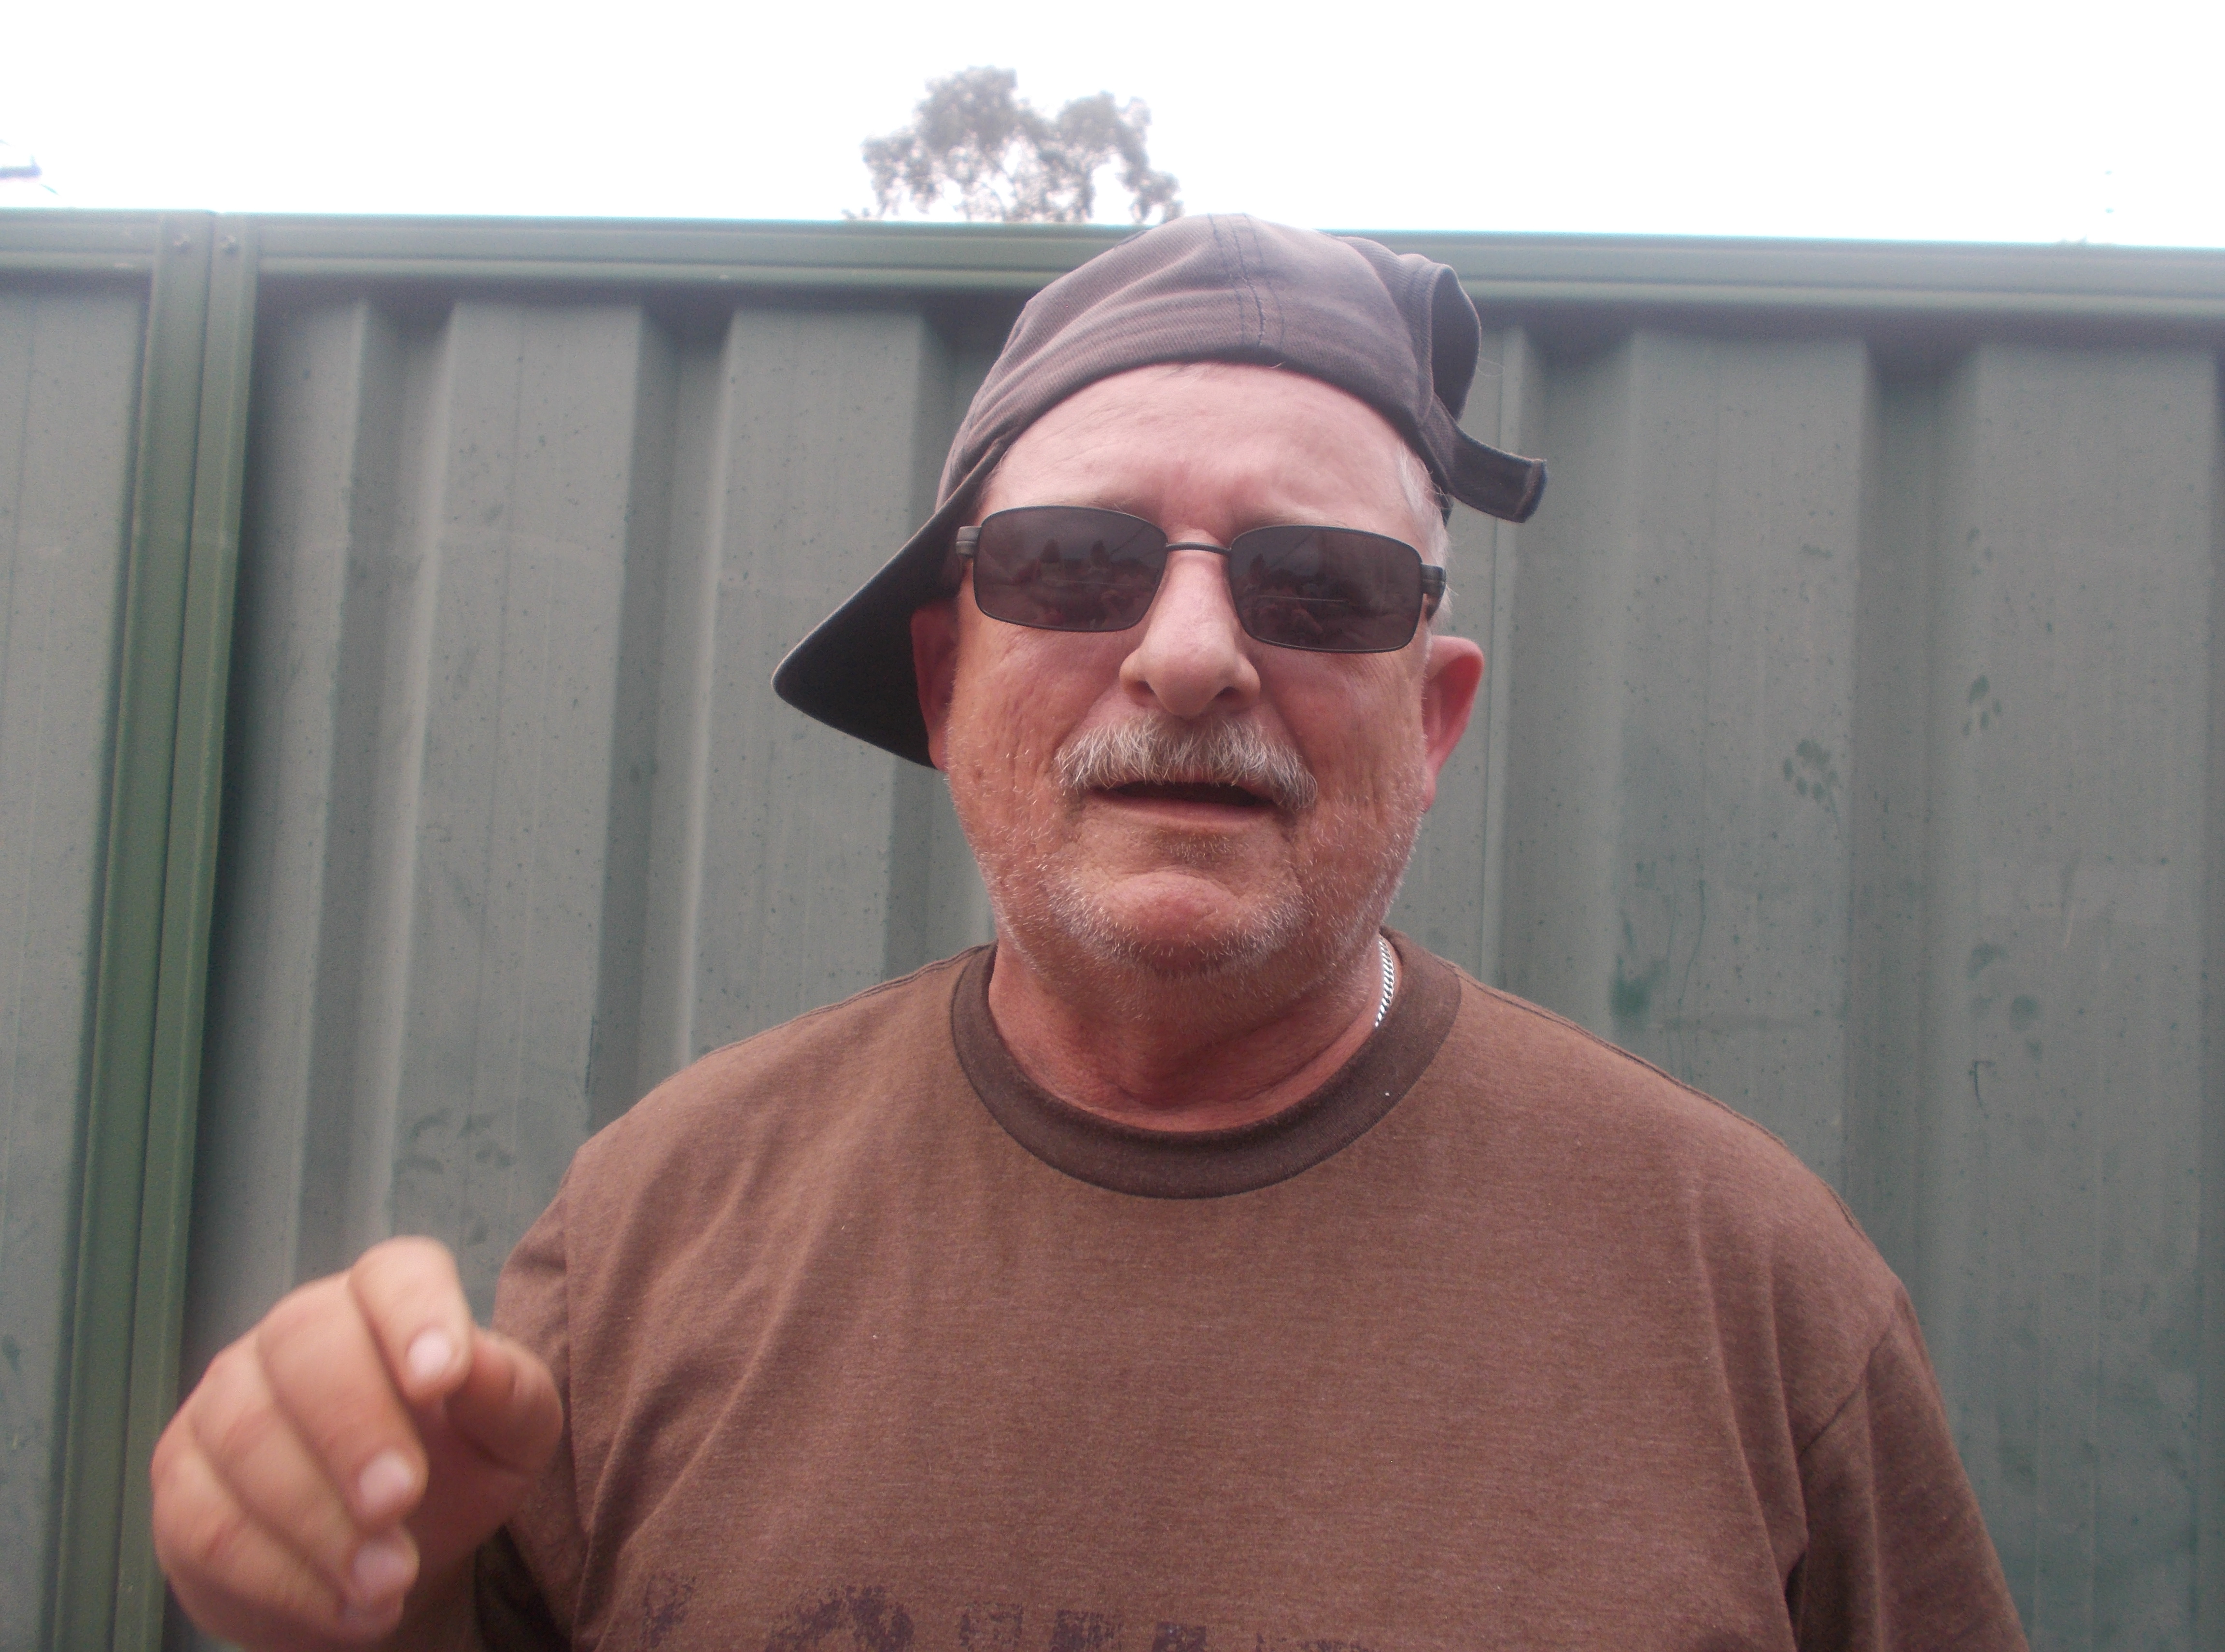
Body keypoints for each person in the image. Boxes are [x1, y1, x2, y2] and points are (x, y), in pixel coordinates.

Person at [152, 215, 2026, 1652]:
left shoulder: (1752, 1292)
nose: (1192, 654)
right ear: (946, 676)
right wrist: (346, 1588)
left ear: (1435, 719)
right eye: (1076, 563)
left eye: (1320, 583)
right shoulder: (656, 1230)